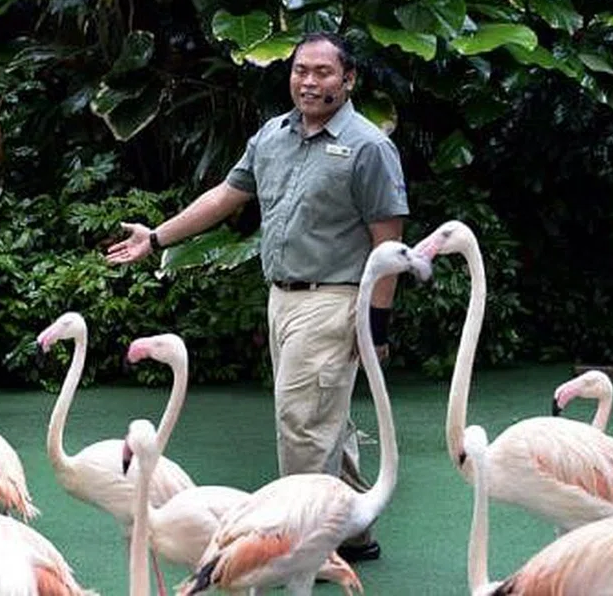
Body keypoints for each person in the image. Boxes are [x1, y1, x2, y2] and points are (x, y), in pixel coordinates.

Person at [105, 31, 409, 562]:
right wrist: (156, 238)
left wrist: (376, 330)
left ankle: (306, 548)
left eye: (323, 72)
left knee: (303, 427)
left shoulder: (368, 147)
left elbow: (389, 247)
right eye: (300, 71)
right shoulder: (273, 136)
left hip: (334, 301)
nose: (309, 81)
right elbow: (226, 195)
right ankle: (352, 531)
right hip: (281, 298)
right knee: (320, 420)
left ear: (349, 78)